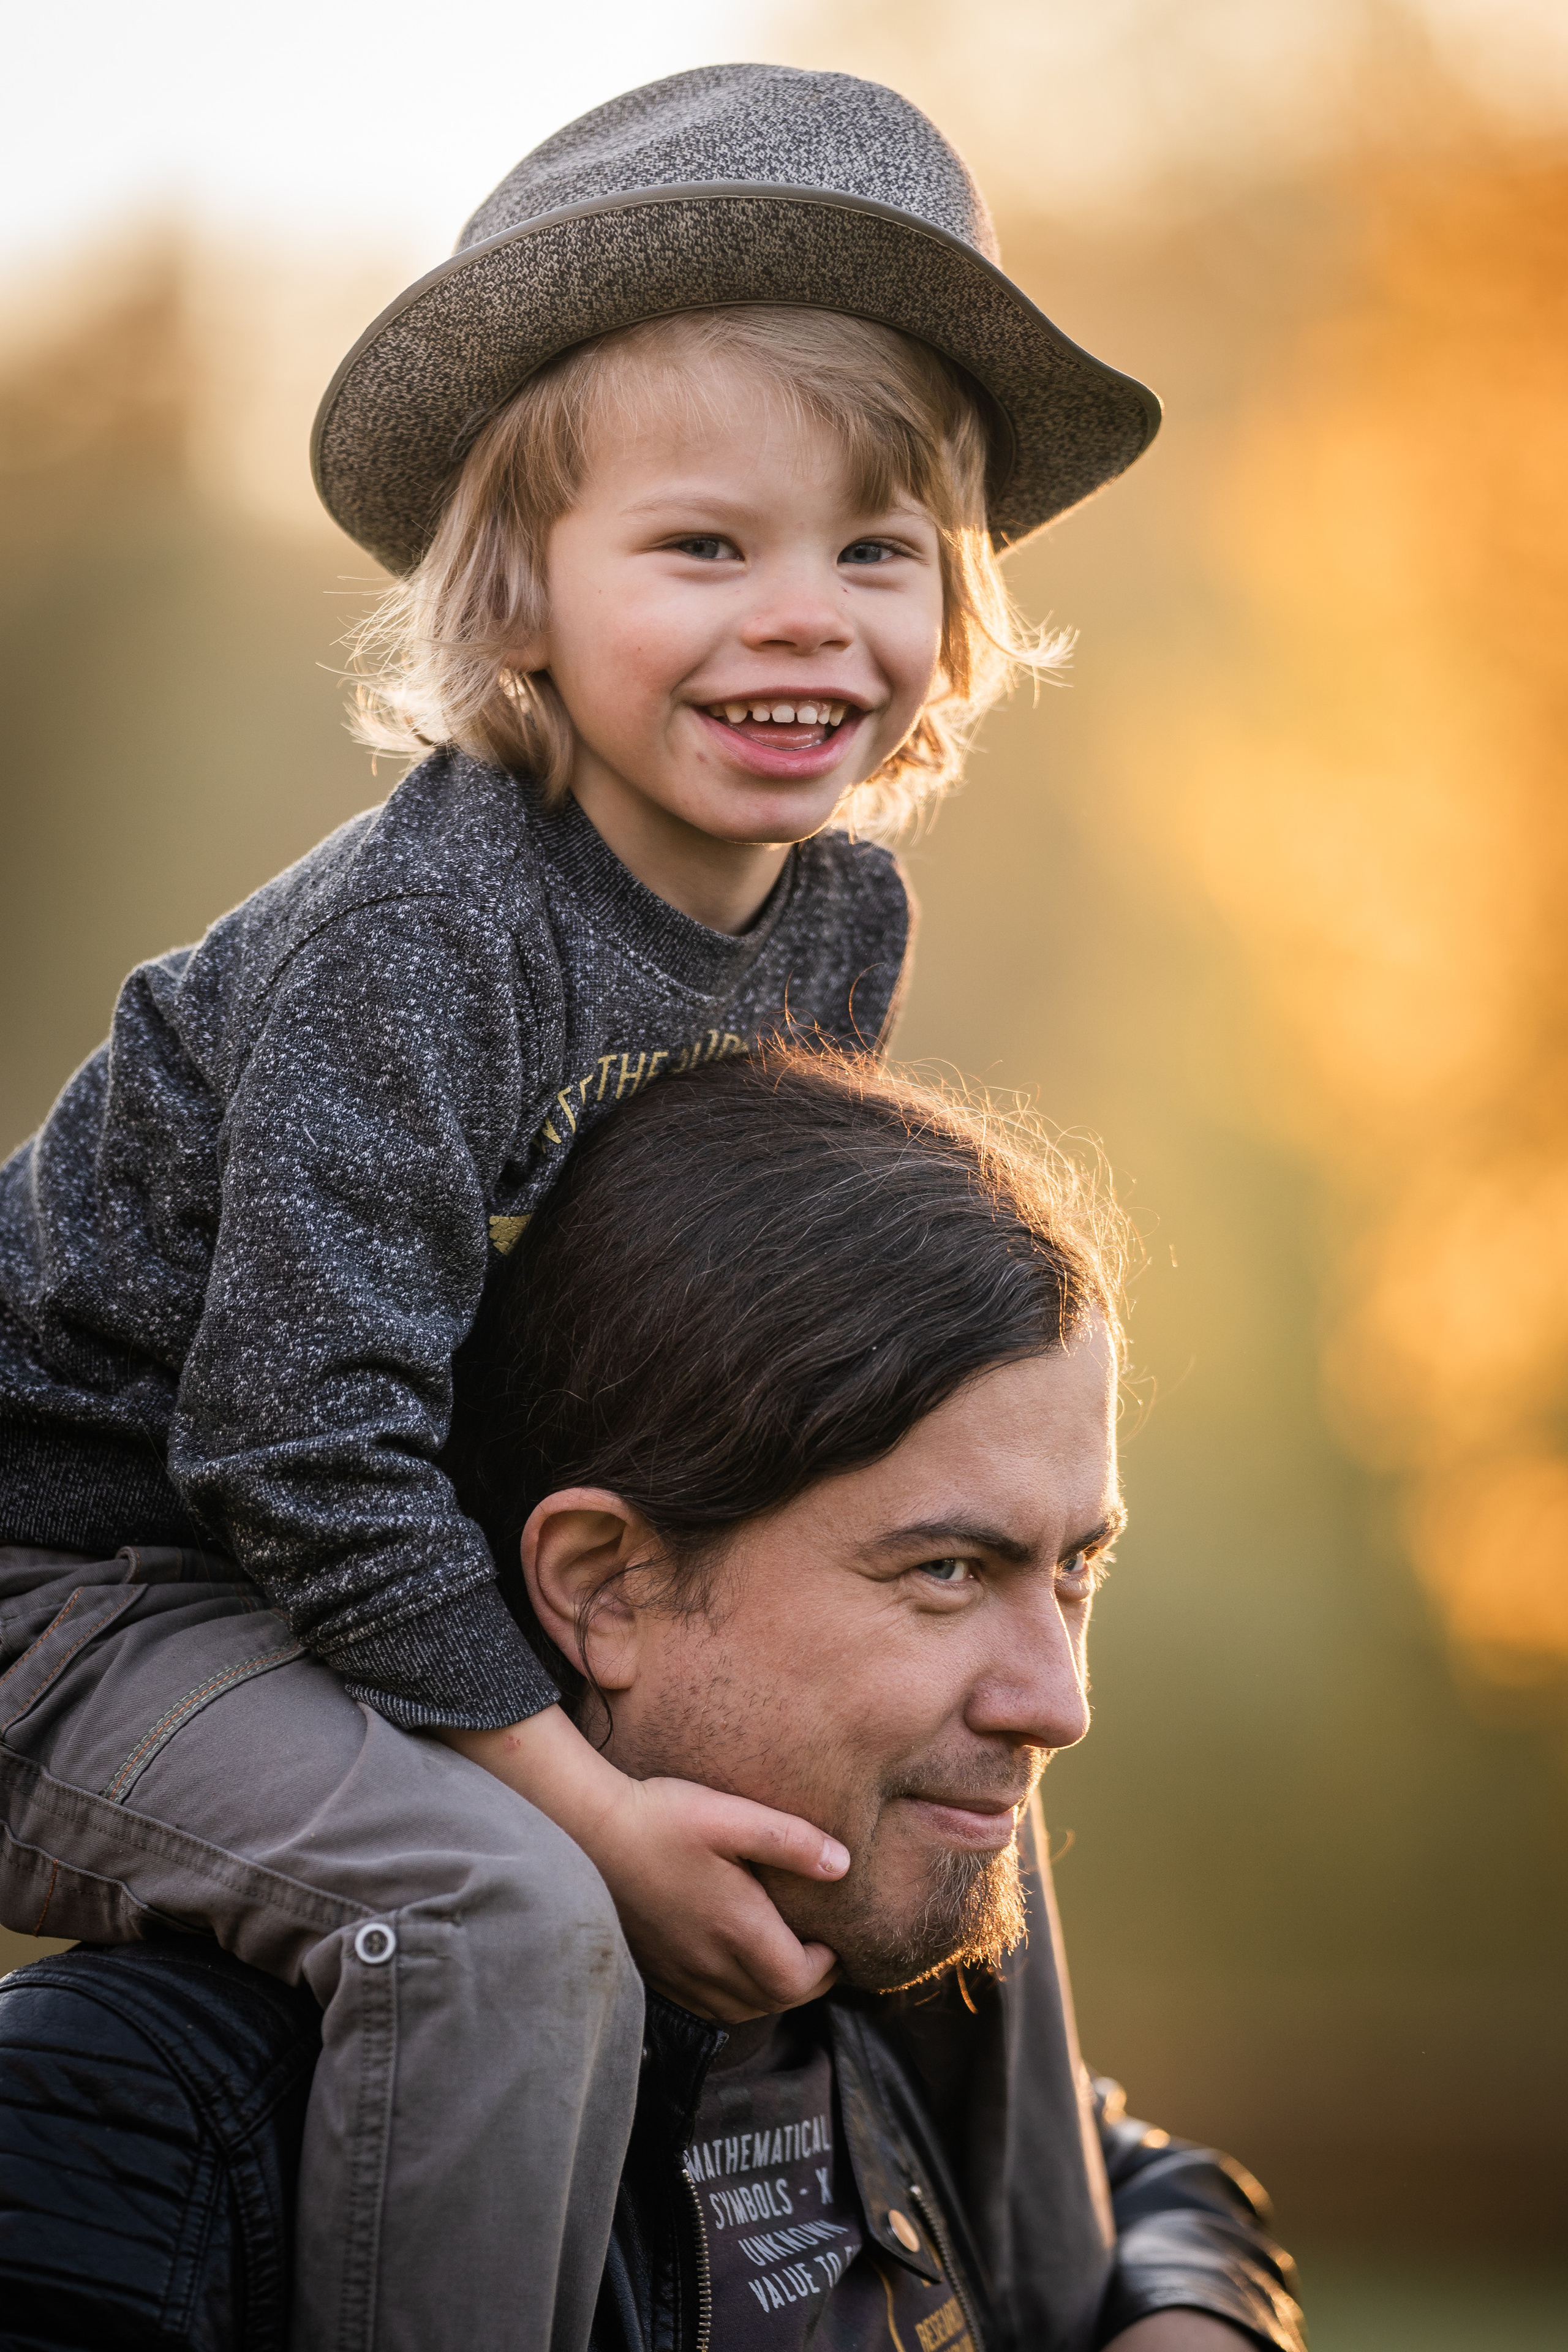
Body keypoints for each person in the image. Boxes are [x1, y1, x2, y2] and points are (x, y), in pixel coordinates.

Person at [0, 63, 1161, 2352]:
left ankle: (1062, 2310)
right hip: (89, 1577)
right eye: (706, 549)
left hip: (372, 1563)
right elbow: (290, 1444)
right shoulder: (415, 942)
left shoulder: (833, 930)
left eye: (876, 551)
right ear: (520, 599)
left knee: (953, 1776)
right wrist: (599, 1817)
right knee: (503, 1916)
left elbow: (692, 1356)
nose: (806, 621)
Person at [0, 1050, 1305, 2352]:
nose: (1057, 1703)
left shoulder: (852, 1945)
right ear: (605, 1587)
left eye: (1077, 1567)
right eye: (946, 1571)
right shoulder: (135, 2121)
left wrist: (1196, 2317)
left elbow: (1132, 2174)